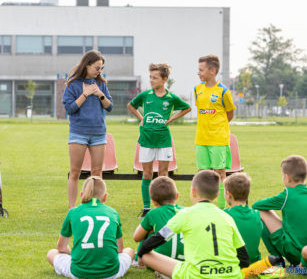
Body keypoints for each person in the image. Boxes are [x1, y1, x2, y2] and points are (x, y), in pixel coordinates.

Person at [137, 170, 249, 279]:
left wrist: (141, 253)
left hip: (195, 275)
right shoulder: (227, 217)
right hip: (232, 275)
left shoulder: (185, 214)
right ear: (217, 195)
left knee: (147, 255)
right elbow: (244, 259)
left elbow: (158, 238)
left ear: (193, 191)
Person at [128, 63, 191, 218]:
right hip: (146, 139)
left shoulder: (170, 98)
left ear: (164, 79)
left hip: (163, 140)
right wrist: (141, 118)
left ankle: (165, 206)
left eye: (155, 78)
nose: (151, 80)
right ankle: (147, 208)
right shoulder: (145, 95)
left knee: (163, 174)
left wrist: (171, 119)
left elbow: (187, 108)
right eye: (150, 77)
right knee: (147, 174)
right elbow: (131, 105)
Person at [47, 176, 134, 279]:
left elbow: (61, 247)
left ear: (81, 195)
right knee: (129, 251)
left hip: (79, 273)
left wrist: (75, 253)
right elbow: (119, 249)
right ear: (105, 197)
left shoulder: (73, 212)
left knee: (51, 253)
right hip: (111, 273)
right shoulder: (113, 212)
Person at [62, 50, 113, 208]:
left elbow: (110, 107)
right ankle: (72, 208)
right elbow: (70, 109)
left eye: (101, 68)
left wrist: (100, 95)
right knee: (75, 172)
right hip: (78, 133)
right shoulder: (72, 85)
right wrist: (84, 95)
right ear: (87, 65)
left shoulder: (101, 84)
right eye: (97, 67)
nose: (99, 71)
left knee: (97, 173)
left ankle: (96, 206)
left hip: (98, 133)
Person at [252, 155, 307, 266]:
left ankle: (277, 259)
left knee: (259, 211)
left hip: (295, 253)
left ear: (287, 177)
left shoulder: (287, 194)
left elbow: (256, 205)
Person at [194, 54, 236, 209]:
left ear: (212, 70)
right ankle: (204, 207)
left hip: (218, 139)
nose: (198, 73)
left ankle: (222, 208)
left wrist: (218, 127)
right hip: (201, 139)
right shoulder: (197, 89)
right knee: (203, 174)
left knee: (219, 174)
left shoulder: (223, 91)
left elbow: (229, 114)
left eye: (201, 70)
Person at [133, 176, 184, 267]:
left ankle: (137, 260)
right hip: (184, 260)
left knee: (149, 230)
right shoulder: (186, 211)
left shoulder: (153, 213)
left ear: (153, 201)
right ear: (177, 196)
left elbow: (136, 237)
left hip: (160, 262)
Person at [224, 173, 262, 264]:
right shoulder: (257, 214)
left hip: (234, 265)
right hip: (254, 263)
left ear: (228, 194)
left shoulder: (224, 215)